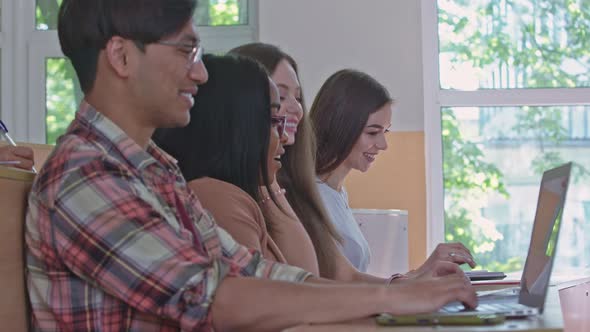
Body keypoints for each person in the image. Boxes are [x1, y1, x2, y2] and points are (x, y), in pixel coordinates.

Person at [25, 1, 477, 331]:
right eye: (187, 53)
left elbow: (251, 271)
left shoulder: (154, 169)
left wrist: (397, 298)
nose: (200, 74)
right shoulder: (86, 176)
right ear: (122, 56)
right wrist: (390, 298)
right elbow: (214, 299)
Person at [231, 43, 476, 277]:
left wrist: (421, 277)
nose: (383, 144)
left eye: (297, 97)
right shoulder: (283, 194)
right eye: (372, 132)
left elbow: (337, 281)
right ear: (343, 126)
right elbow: (321, 285)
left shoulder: (326, 193)